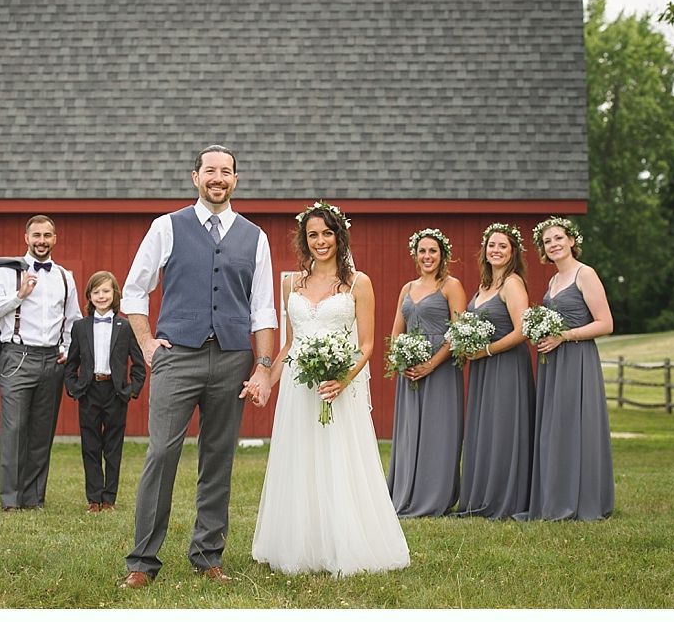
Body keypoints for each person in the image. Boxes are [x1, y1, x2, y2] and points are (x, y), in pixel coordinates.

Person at [119, 144, 277, 589]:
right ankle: (142, 560)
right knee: (162, 453)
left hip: (231, 359)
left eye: (226, 172)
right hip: (178, 357)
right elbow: (134, 292)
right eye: (211, 170)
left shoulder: (255, 237)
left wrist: (263, 367)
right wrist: (148, 343)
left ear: (235, 180)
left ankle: (208, 554)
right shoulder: (166, 227)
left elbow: (263, 310)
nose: (218, 178)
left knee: (218, 457)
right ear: (195, 177)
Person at [252, 201, 409, 576]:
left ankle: (346, 542)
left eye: (326, 233)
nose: (320, 241)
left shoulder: (359, 283)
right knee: (300, 461)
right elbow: (289, 344)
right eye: (312, 235)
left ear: (339, 236)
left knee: (340, 462)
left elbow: (368, 345)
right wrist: (266, 382)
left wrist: (341, 380)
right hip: (297, 388)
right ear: (303, 240)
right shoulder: (291, 282)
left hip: (339, 386)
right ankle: (300, 543)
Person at [0, 215, 82, 511]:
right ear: (26, 238)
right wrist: (18, 295)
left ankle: (33, 497)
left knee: (42, 430)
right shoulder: (7, 273)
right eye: (36, 235)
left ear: (55, 239)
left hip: (52, 359)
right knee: (14, 430)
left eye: (47, 235)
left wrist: (66, 348)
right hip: (17, 357)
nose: (41, 241)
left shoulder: (64, 276)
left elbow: (72, 320)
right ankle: (10, 500)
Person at [515, 217, 614, 521]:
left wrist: (564, 336)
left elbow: (606, 324)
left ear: (572, 241)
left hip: (577, 359)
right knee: (555, 428)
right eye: (547, 241)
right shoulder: (553, 282)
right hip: (553, 362)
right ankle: (555, 496)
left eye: (559, 238)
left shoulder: (586, 275)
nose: (554, 244)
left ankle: (582, 499)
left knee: (576, 425)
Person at [455, 223, 535, 519]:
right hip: (483, 368)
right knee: (485, 429)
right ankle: (481, 496)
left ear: (513, 253)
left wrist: (486, 350)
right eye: (492, 245)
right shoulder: (484, 286)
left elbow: (522, 331)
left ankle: (505, 498)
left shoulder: (512, 283)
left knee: (504, 429)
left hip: (506, 366)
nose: (496, 250)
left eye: (503, 246)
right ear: (485, 251)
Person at [387, 228, 467, 517]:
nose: (427, 256)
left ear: (442, 254)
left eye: (433, 250)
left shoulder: (451, 285)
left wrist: (431, 364)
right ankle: (406, 491)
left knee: (438, 430)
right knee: (410, 431)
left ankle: (434, 496)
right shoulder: (407, 289)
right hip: (409, 371)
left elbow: (458, 333)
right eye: (422, 251)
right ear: (415, 254)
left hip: (441, 370)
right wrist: (402, 356)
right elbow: (397, 330)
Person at [64, 271, 146, 513]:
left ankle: (109, 498)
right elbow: (71, 363)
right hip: (89, 391)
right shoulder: (80, 327)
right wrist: (73, 388)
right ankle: (94, 499)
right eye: (96, 292)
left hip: (115, 392)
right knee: (90, 446)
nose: (101, 296)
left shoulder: (125, 327)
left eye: (106, 291)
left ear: (115, 295)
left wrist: (132, 390)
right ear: (89, 296)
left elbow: (138, 365)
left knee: (112, 446)